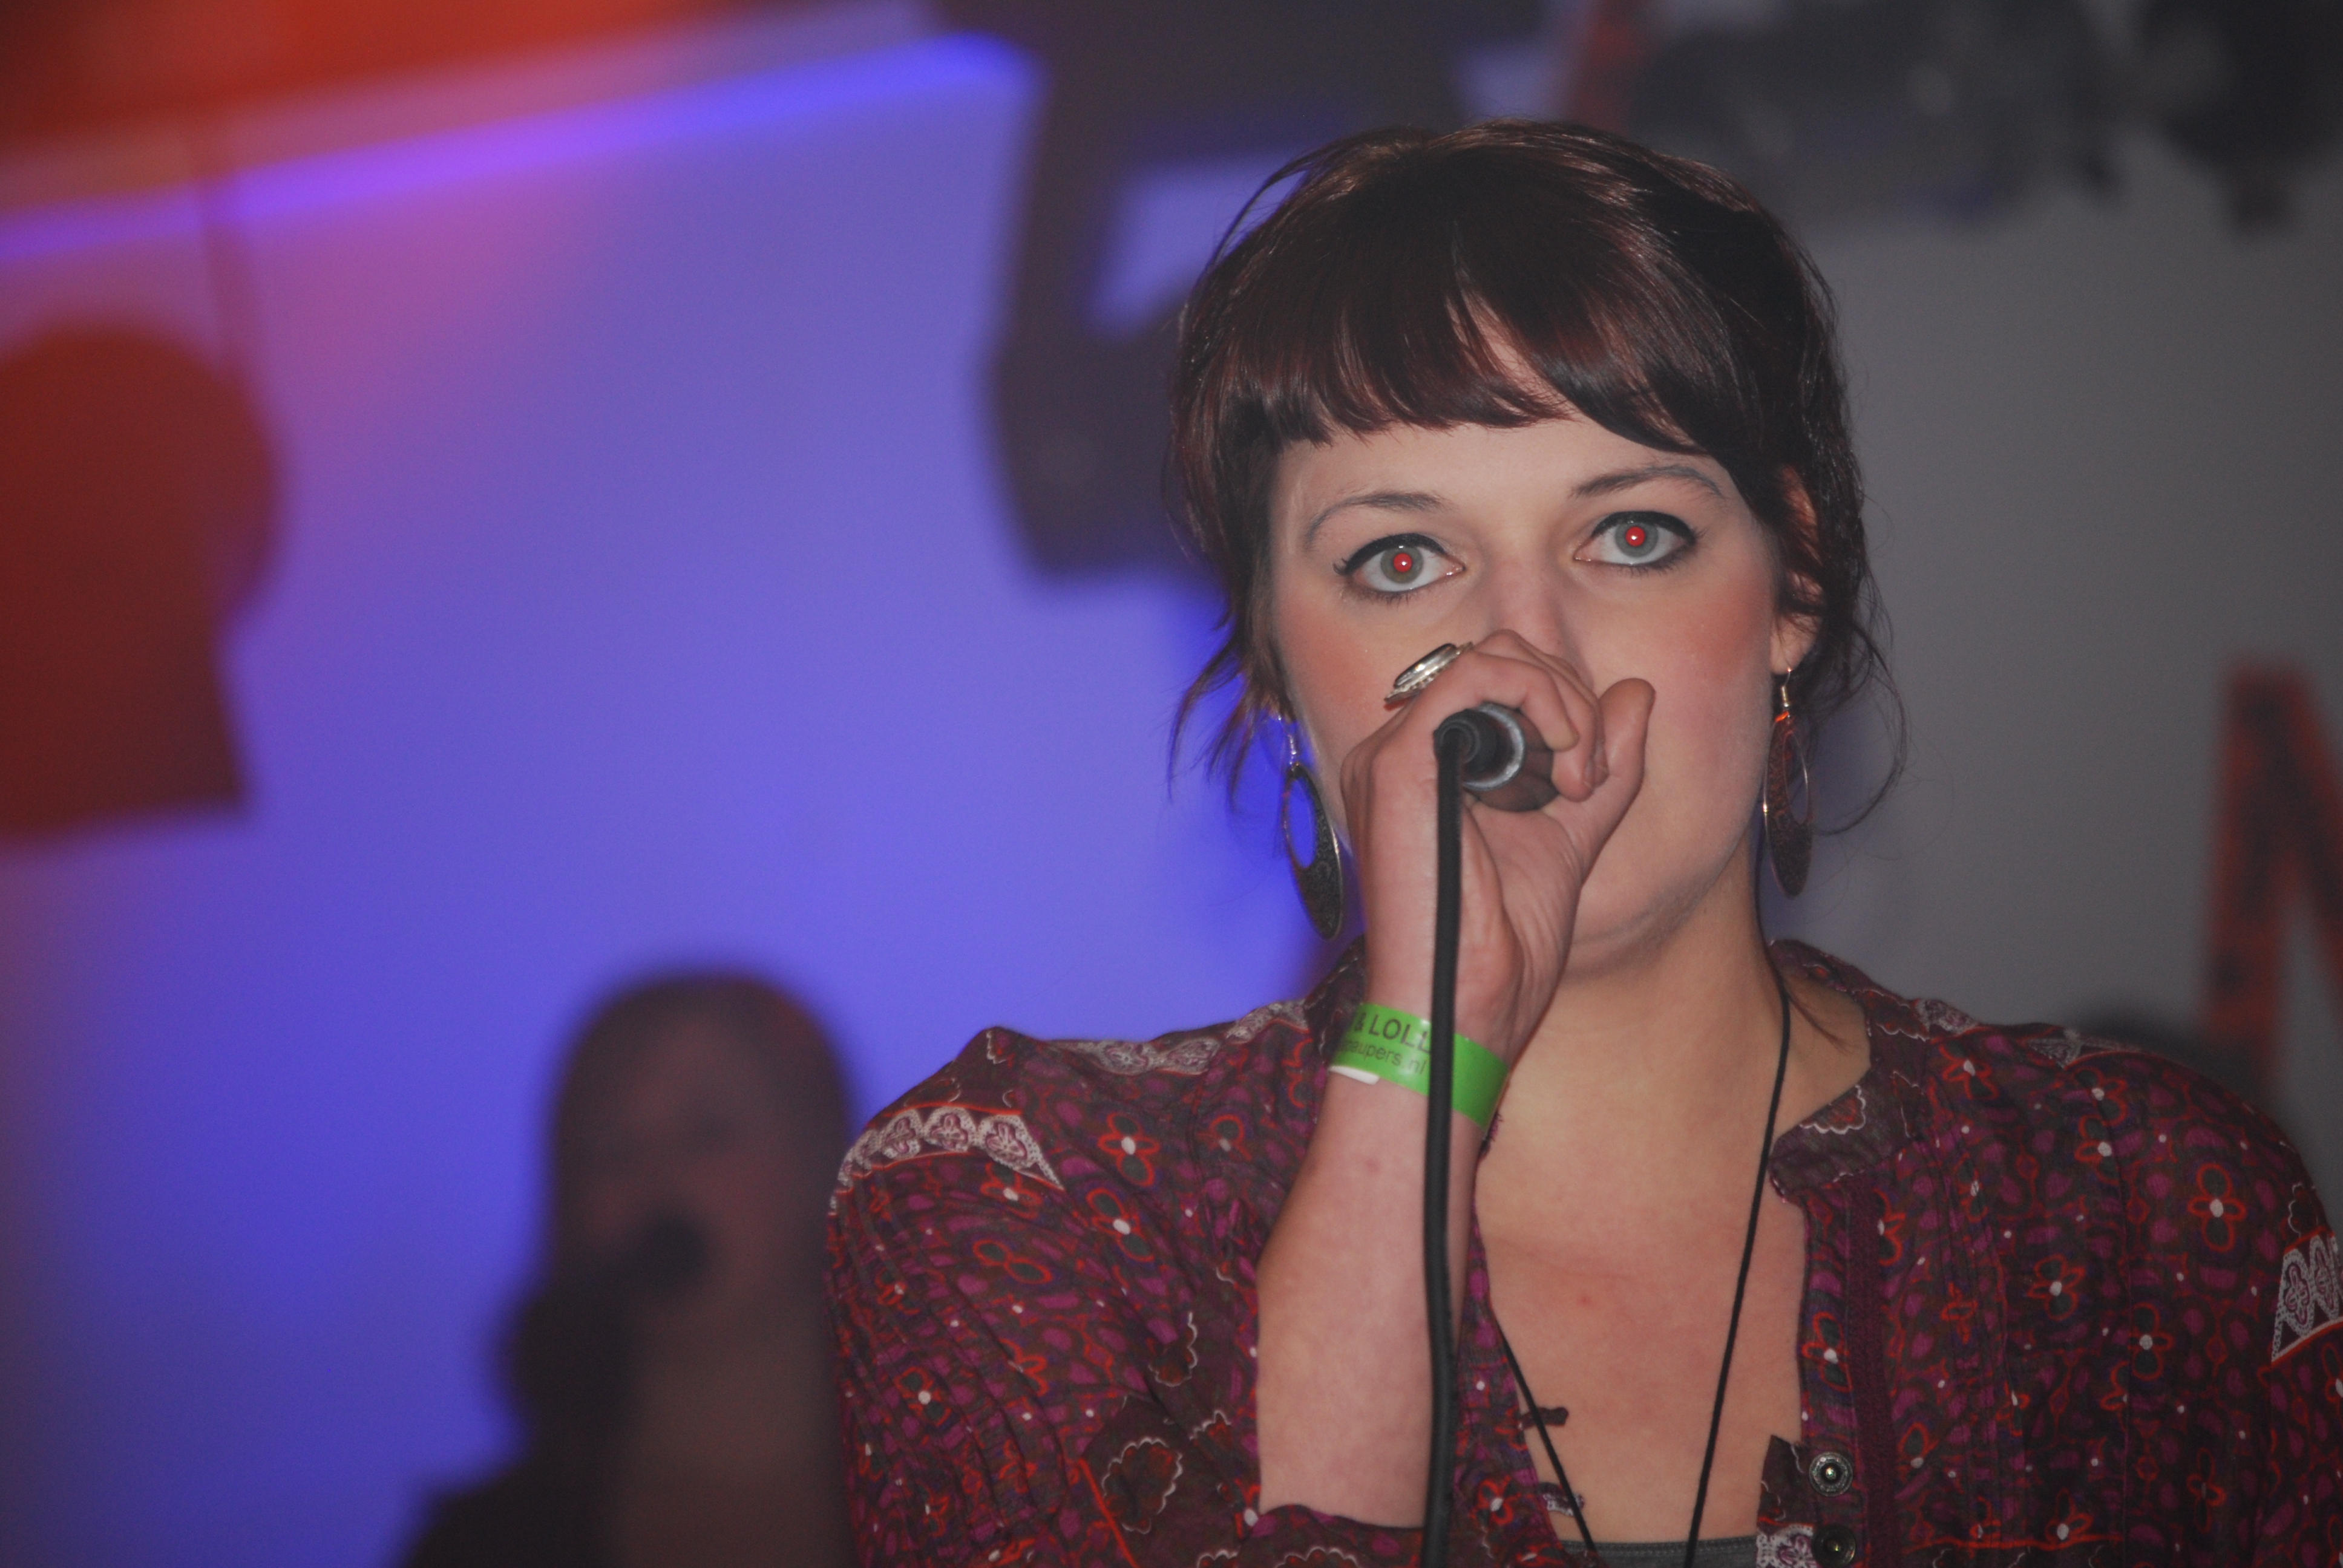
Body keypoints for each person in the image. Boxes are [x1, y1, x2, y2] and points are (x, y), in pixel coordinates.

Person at [824, 122, 2342, 1566]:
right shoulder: (1033, 1204)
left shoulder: (2139, 1205)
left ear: (1791, 592)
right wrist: (1432, 1046)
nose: (1521, 655)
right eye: (1400, 559)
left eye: (1630, 535)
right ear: (1275, 669)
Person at [404, 974, 855, 1568]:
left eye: (708, 1130)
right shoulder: (486, 1545)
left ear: (823, 1159)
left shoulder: (959, 1502)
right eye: (611, 1148)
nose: (657, 1179)